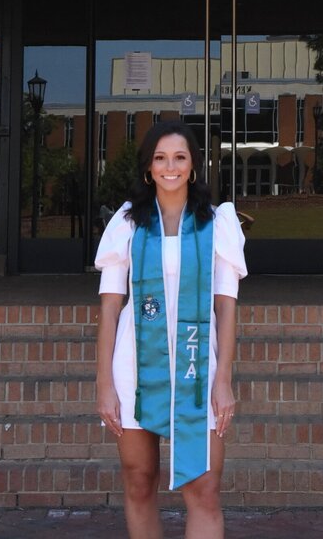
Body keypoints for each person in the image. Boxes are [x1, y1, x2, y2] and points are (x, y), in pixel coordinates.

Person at [95, 120, 247, 539]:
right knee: (139, 481)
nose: (170, 167)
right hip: (135, 371)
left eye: (180, 157)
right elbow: (109, 310)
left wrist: (224, 379)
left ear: (194, 166)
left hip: (196, 372)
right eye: (160, 158)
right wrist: (104, 383)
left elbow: (226, 309)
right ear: (148, 168)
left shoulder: (217, 224)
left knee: (205, 489)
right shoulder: (127, 224)